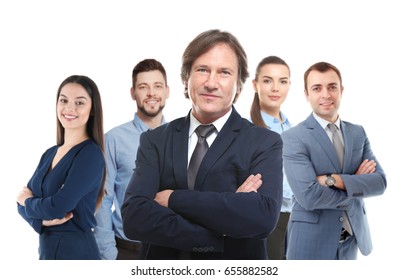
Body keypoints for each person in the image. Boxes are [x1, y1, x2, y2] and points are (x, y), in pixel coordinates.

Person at [121, 29, 283, 260]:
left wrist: (173, 199)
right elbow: (134, 219)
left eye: (224, 72)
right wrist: (222, 231)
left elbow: (262, 218)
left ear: (238, 84)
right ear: (186, 80)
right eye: (202, 70)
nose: (211, 83)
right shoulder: (155, 140)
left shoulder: (264, 142)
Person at [281, 61, 387, 260]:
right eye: (317, 88)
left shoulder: (358, 132)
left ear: (341, 90)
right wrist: (356, 184)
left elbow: (380, 183)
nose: (326, 95)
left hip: (351, 240)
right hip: (310, 243)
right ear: (306, 94)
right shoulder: (293, 137)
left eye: (332, 87)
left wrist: (332, 180)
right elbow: (309, 197)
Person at [16, 75, 106, 260]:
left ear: (92, 110)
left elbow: (58, 206)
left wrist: (28, 202)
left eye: (79, 103)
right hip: (48, 252)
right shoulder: (49, 154)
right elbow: (19, 205)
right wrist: (42, 221)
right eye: (63, 100)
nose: (69, 108)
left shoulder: (90, 154)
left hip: (77, 254)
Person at [94, 59, 169, 260]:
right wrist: (110, 256)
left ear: (167, 92)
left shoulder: (183, 137)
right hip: (128, 251)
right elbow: (102, 199)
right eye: (143, 87)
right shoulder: (113, 139)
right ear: (133, 93)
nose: (151, 93)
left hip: (172, 248)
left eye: (157, 86)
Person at [250, 55, 293, 260]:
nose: (275, 88)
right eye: (268, 81)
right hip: (266, 222)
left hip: (296, 220)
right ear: (255, 84)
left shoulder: (292, 129)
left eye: (282, 81)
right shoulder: (246, 129)